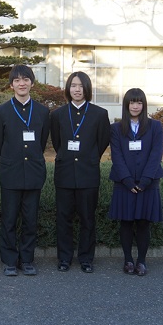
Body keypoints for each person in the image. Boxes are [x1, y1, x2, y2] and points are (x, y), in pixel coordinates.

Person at [0, 64, 50, 276]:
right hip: (10, 173)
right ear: (11, 84)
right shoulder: (1, 112)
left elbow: (41, 143)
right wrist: (6, 164)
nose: (21, 83)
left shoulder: (42, 111)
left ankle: (27, 259)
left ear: (32, 82)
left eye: (25, 79)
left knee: (31, 219)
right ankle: (9, 261)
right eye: (17, 80)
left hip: (33, 172)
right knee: (9, 219)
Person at [51, 72, 110, 273]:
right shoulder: (57, 114)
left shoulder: (99, 114)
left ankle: (86, 258)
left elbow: (101, 142)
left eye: (81, 86)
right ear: (68, 88)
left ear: (87, 88)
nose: (77, 89)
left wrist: (90, 157)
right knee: (63, 218)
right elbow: (57, 143)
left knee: (87, 218)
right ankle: (64, 258)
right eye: (73, 85)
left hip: (88, 173)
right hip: (65, 172)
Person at [109, 88, 163, 276]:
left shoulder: (155, 126)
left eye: (139, 102)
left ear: (144, 105)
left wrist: (145, 180)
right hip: (124, 183)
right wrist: (127, 180)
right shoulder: (116, 128)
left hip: (148, 183)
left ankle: (141, 261)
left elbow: (156, 155)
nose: (135, 106)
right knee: (125, 222)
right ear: (126, 105)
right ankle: (128, 260)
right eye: (132, 102)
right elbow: (116, 156)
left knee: (143, 223)